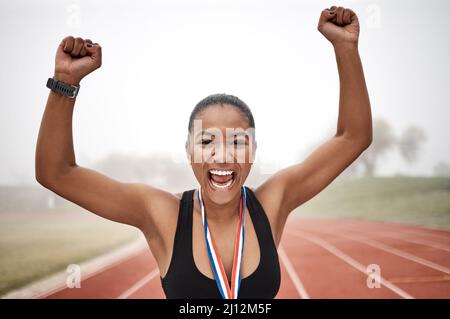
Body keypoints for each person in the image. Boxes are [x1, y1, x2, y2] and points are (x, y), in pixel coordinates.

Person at [35, 5, 372, 299]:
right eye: (207, 141)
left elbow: (353, 137)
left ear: (253, 150)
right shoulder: (161, 213)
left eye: (238, 142)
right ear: (188, 150)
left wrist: (345, 47)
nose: (222, 156)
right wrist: (66, 82)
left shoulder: (272, 203)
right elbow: (56, 173)